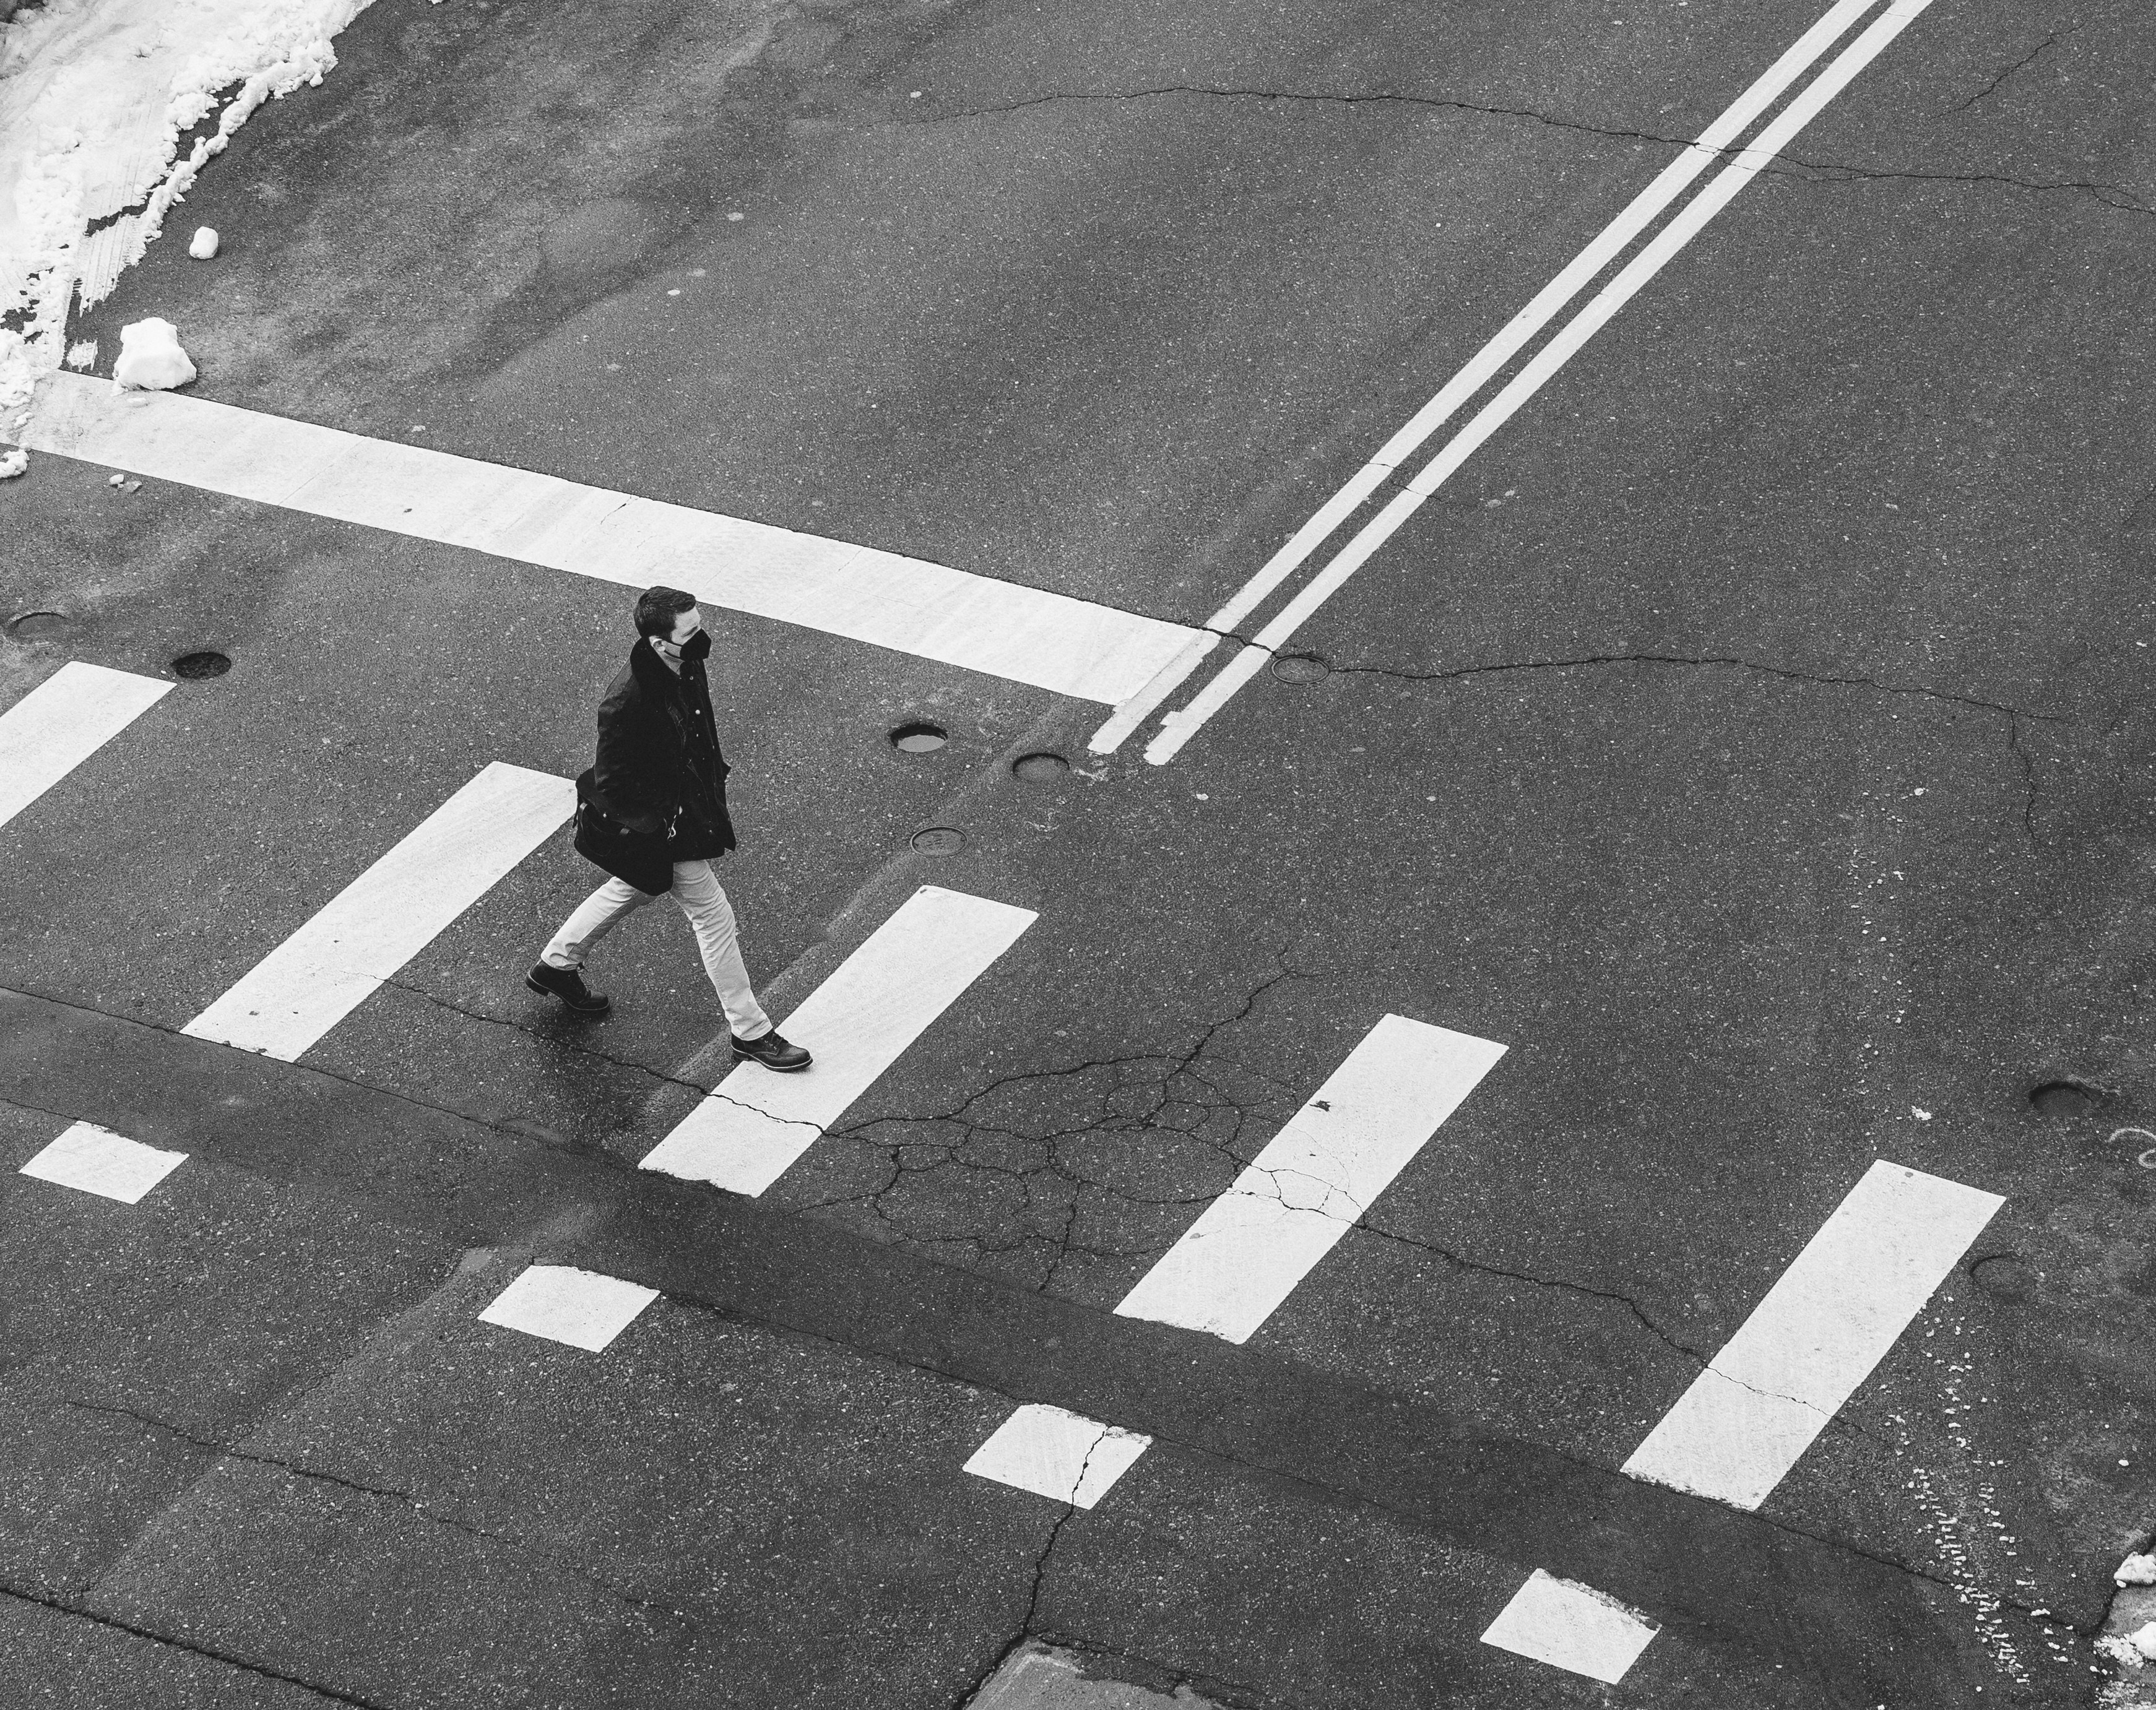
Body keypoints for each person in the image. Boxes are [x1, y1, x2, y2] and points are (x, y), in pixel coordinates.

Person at [526, 586, 811, 1073]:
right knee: (714, 916)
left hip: (691, 806)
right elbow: (615, 784)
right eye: (691, 632)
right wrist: (664, 821)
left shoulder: (686, 662)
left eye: (699, 624)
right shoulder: (625, 703)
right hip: (666, 824)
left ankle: (556, 964)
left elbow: (698, 728)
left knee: (635, 885)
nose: (702, 639)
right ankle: (751, 1031)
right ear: (661, 643)